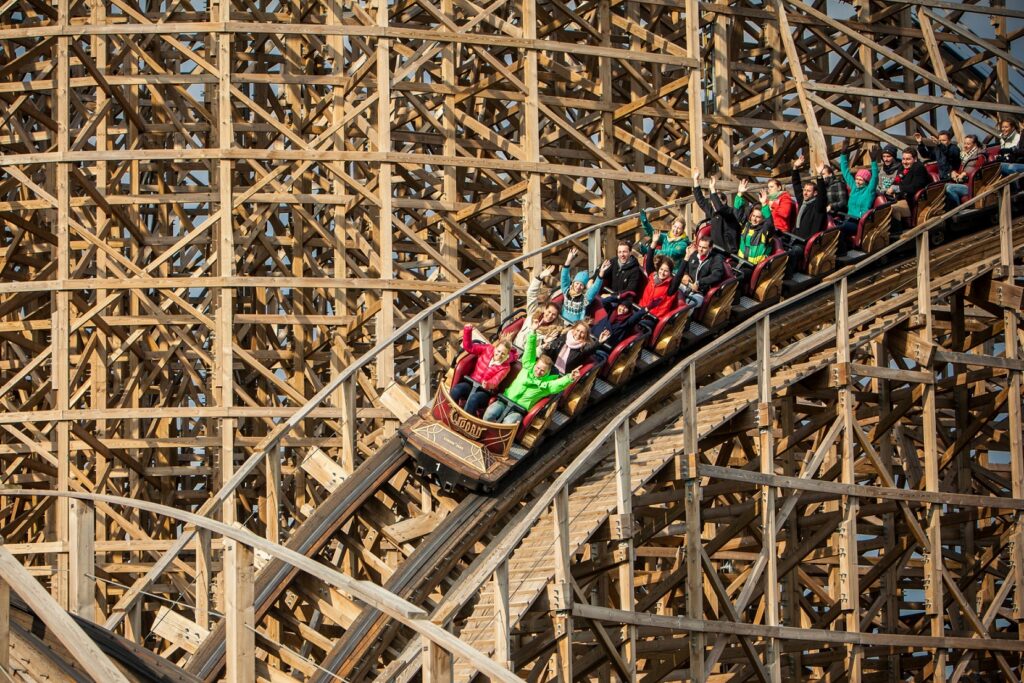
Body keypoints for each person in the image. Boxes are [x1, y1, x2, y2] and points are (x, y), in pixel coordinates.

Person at [481, 331, 580, 425]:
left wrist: (570, 377)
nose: (538, 372)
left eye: (542, 371)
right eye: (538, 368)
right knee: (490, 413)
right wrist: (533, 332)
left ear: (547, 372)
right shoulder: (527, 367)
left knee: (508, 421)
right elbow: (530, 351)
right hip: (505, 400)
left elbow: (558, 384)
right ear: (535, 365)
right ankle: (482, 429)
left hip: (518, 410)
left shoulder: (547, 385)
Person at [450, 326, 518, 416]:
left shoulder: (505, 367)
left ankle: (466, 420)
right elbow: (469, 347)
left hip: (485, 391)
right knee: (457, 390)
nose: (499, 355)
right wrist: (467, 331)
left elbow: (496, 381)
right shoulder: (487, 349)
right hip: (471, 382)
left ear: (506, 355)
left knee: (474, 399)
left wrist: (488, 384)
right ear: (495, 348)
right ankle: (448, 411)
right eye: (498, 351)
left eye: (503, 354)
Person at [693, 170, 744, 254]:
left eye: (717, 201)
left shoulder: (729, 213)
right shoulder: (713, 211)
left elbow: (720, 208)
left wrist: (712, 189)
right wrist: (695, 181)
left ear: (724, 201)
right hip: (715, 250)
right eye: (713, 202)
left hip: (728, 252)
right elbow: (700, 200)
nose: (714, 204)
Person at [513, 265, 564, 349]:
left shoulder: (554, 330)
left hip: (528, 356)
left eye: (554, 315)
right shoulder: (533, 313)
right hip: (514, 348)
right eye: (549, 312)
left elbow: (543, 349)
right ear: (545, 310)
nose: (550, 316)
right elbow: (531, 294)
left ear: (556, 316)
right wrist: (540, 277)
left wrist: (544, 342)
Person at [838, 144, 879, 236]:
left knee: (839, 228)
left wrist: (873, 161)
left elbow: (875, 178)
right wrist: (843, 155)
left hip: (859, 222)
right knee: (833, 224)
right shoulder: (854, 187)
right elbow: (845, 172)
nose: (858, 181)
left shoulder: (869, 191)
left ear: (866, 181)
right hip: (848, 218)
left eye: (861, 180)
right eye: (857, 178)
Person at [639, 245, 686, 320]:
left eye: (666, 271)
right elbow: (649, 261)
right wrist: (653, 244)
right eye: (661, 269)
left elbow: (678, 276)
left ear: (670, 273)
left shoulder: (670, 287)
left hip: (653, 318)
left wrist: (686, 258)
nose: (662, 273)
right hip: (640, 311)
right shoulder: (652, 276)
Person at [884, 149, 932, 223]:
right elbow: (896, 180)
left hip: (912, 201)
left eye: (908, 159)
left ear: (915, 159)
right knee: (882, 207)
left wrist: (897, 189)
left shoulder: (918, 168)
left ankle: (898, 232)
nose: (905, 162)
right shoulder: (902, 167)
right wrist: (891, 188)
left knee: (892, 209)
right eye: (903, 159)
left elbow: (915, 187)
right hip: (900, 198)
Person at [679, 235, 725, 309]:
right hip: (686, 286)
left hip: (700, 292)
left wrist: (699, 283)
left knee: (688, 306)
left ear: (710, 248)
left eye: (704, 248)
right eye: (699, 246)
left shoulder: (716, 258)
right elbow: (685, 267)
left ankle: (684, 320)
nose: (700, 249)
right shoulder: (694, 254)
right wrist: (685, 274)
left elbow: (717, 274)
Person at [559, 247, 602, 323]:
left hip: (574, 325)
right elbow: (564, 277)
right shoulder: (566, 291)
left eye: (581, 285)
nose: (578, 286)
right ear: (573, 283)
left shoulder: (584, 298)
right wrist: (569, 259)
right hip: (562, 321)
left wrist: (601, 274)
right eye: (577, 283)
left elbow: (595, 288)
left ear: (584, 287)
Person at [944, 134, 986, 207]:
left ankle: (957, 210)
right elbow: (959, 170)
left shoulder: (980, 156)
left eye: (968, 144)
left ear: (975, 144)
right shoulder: (965, 155)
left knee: (950, 188)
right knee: (943, 186)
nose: (965, 146)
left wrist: (965, 173)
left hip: (972, 185)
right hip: (963, 183)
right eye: (965, 143)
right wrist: (954, 172)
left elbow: (977, 168)